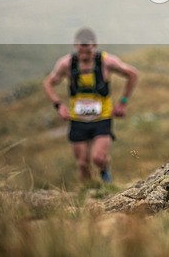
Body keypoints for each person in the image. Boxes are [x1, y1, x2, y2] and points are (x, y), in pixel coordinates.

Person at [43, 27, 139, 184]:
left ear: (94, 45)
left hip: (102, 117)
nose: (85, 55)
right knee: (82, 163)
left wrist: (123, 103)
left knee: (98, 158)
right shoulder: (66, 64)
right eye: (81, 51)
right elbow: (48, 82)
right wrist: (59, 106)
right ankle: (89, 194)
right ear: (76, 46)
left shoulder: (107, 62)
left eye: (88, 51)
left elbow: (133, 74)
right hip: (77, 119)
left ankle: (104, 170)